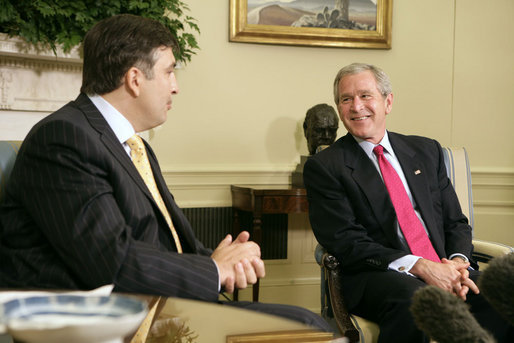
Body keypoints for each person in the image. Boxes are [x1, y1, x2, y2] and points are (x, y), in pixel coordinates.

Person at [0, 14, 331, 332]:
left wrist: (226, 261)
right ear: (134, 79)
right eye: (170, 72)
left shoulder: (134, 145)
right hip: (104, 321)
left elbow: (164, 243)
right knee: (307, 326)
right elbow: (109, 261)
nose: (176, 87)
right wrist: (214, 269)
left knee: (309, 323)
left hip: (159, 308)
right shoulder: (63, 139)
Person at [303, 63, 513, 342]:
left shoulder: (426, 151)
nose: (356, 106)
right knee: (421, 301)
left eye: (366, 96)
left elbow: (455, 222)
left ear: (388, 102)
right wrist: (422, 267)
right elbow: (347, 242)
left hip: (445, 266)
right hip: (377, 275)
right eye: (346, 99)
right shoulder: (325, 166)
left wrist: (457, 264)